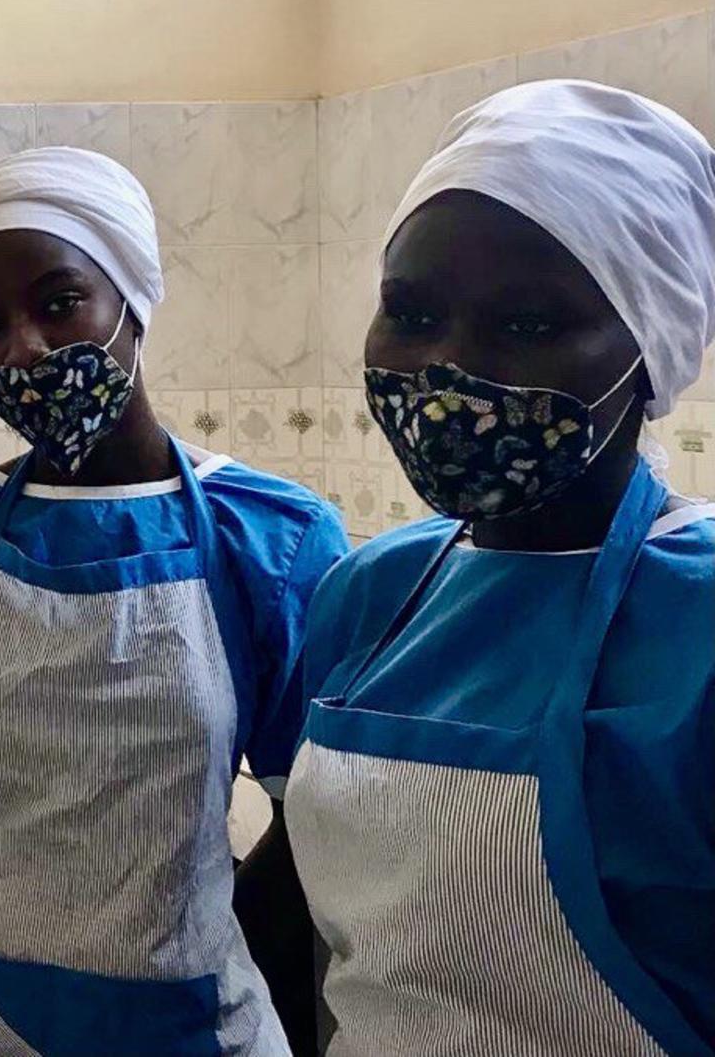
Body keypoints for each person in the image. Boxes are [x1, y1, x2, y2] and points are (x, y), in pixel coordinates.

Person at [0, 148, 346, 1055]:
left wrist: (189, 937)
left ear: (132, 296)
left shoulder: (275, 538)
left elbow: (312, 817)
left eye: (59, 304)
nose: (25, 348)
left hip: (189, 1014)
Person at [287, 80, 715, 1056]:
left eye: (526, 325)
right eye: (410, 311)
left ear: (647, 354)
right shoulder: (368, 595)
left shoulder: (695, 616)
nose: (446, 369)